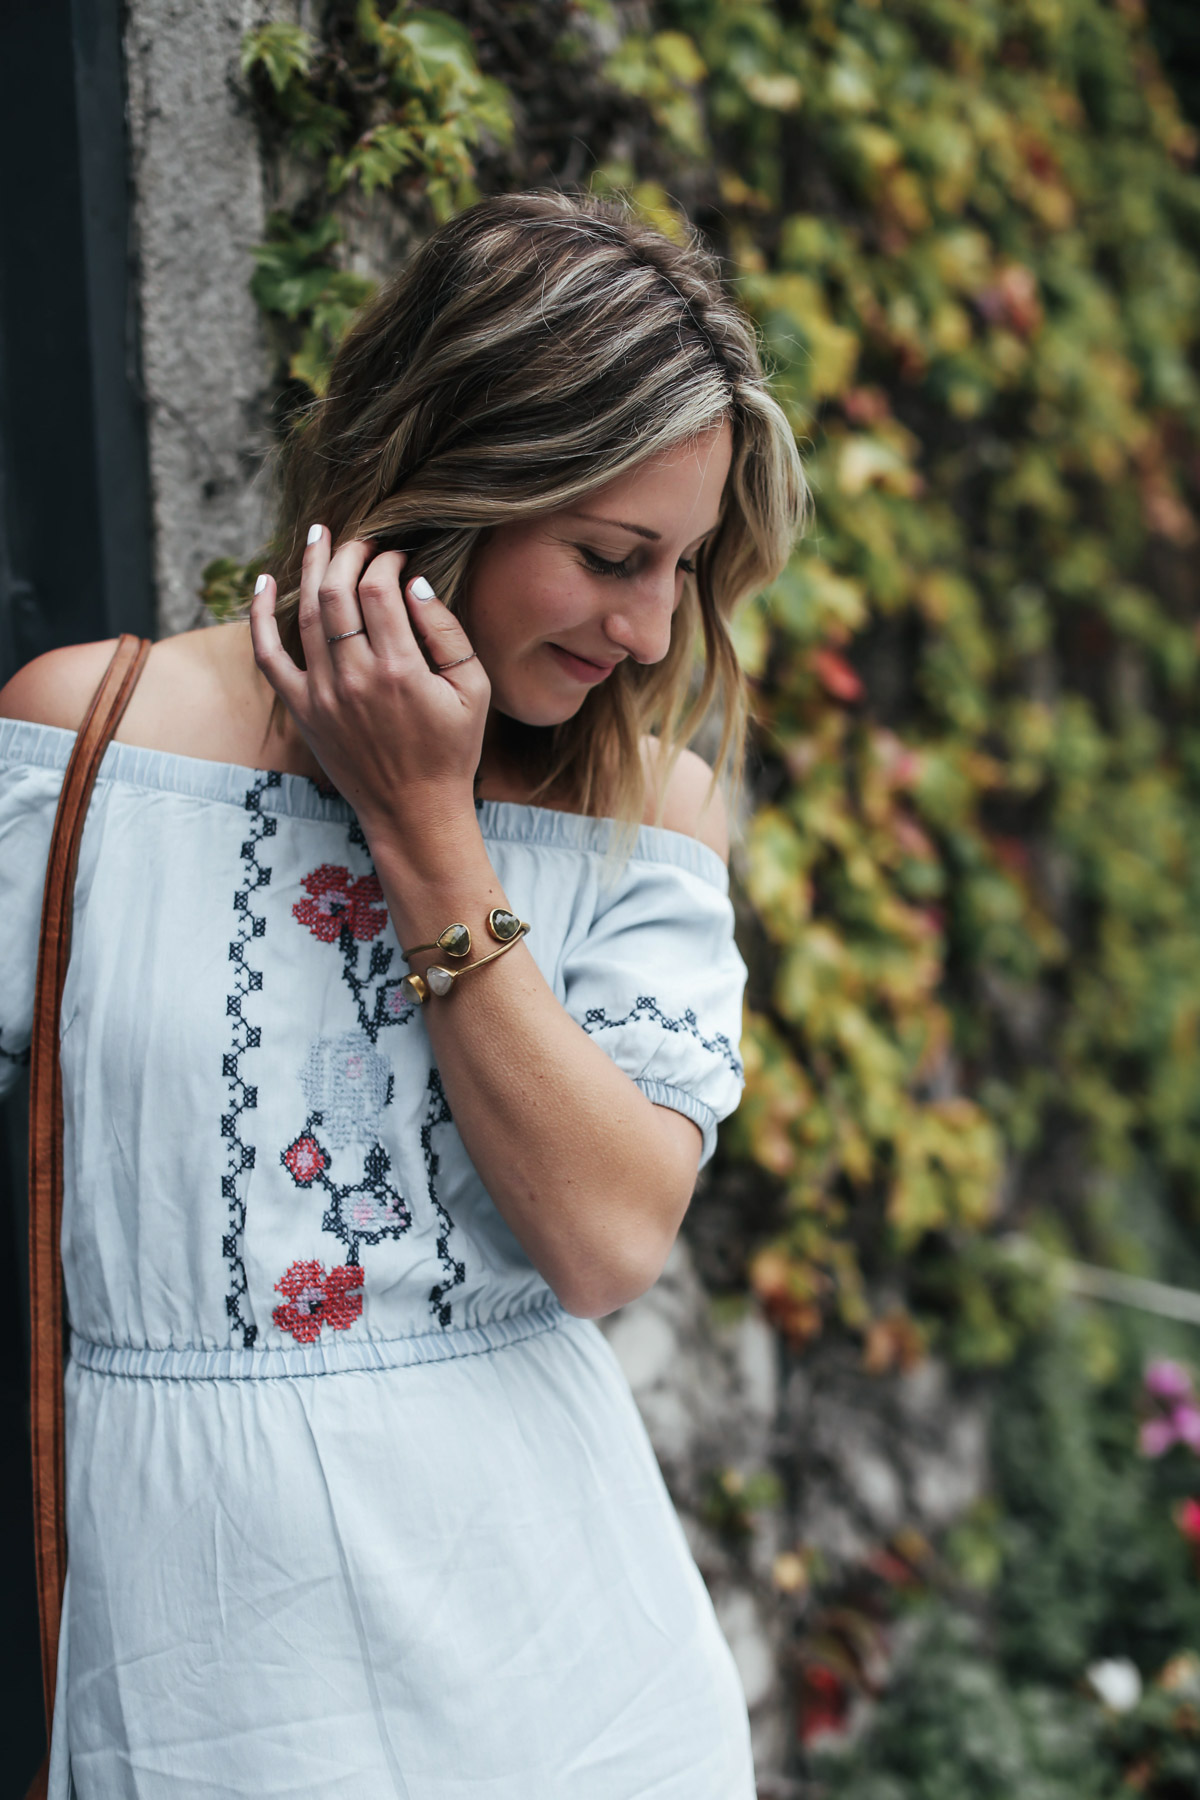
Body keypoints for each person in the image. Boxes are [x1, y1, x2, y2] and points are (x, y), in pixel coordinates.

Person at [0, 191, 806, 1797]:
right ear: (452, 476)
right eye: (609, 555)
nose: (651, 629)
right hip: (206, 1663)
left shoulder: (645, 814)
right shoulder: (89, 738)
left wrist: (429, 832)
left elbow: (606, 1241)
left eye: (683, 570)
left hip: (568, 1676)